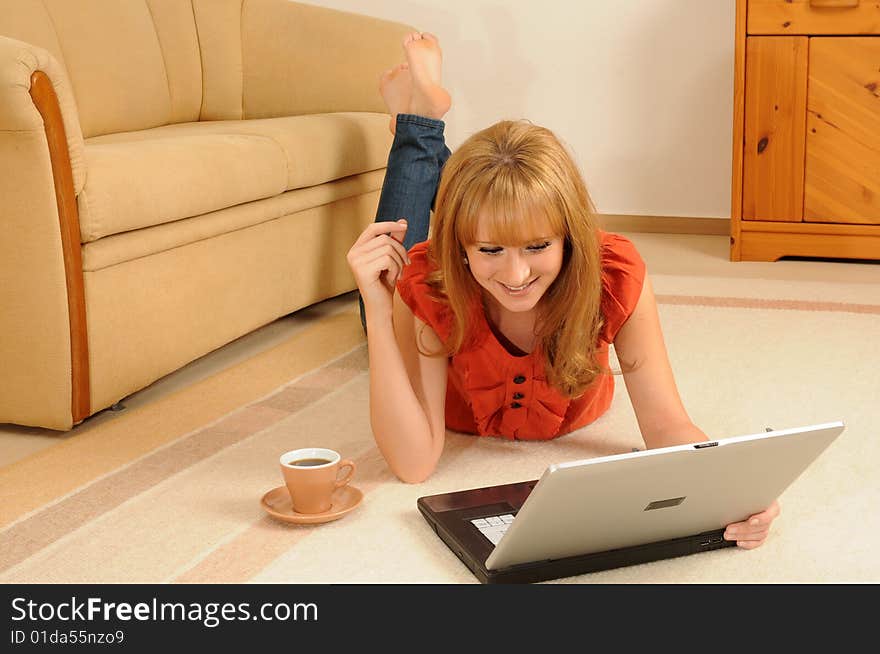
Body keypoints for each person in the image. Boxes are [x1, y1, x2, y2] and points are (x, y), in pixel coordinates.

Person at [347, 32, 779, 549]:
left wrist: (733, 489)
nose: (515, 274)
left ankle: (416, 119)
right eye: (489, 251)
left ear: (569, 236)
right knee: (396, 240)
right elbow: (415, 464)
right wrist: (378, 304)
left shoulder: (614, 276)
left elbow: (667, 425)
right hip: (435, 283)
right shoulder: (429, 283)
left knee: (469, 214)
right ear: (460, 249)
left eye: (537, 247)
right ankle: (415, 126)